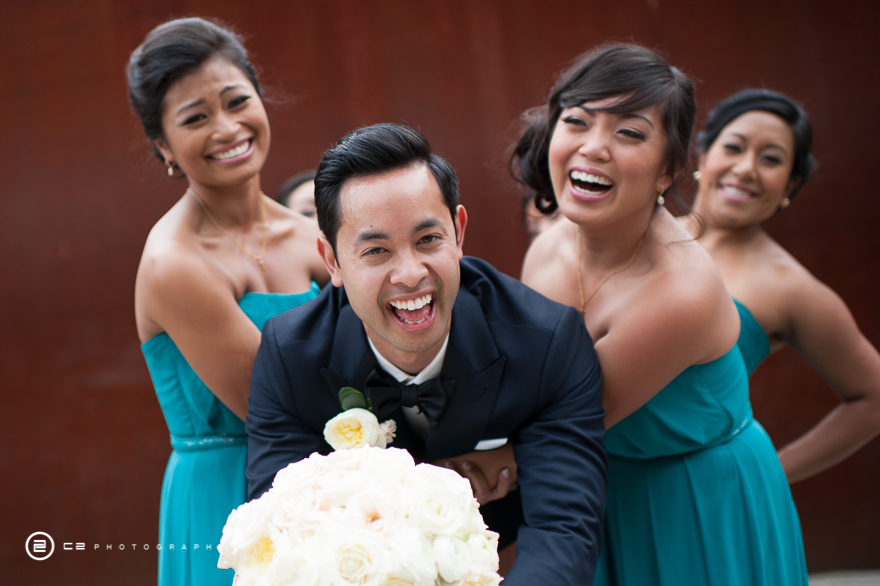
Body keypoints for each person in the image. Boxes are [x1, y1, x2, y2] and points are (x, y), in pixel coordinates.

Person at [246, 123, 607, 585]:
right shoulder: (290, 355)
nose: (411, 273)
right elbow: (285, 531)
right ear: (332, 260)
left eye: (428, 240)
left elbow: (562, 530)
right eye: (376, 250)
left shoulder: (547, 342)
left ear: (458, 232)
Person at [514, 45, 808, 584]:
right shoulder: (549, 246)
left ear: (668, 171)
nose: (593, 146)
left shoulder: (681, 292)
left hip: (698, 502)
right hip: (592, 486)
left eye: (629, 133)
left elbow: (563, 422)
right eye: (576, 121)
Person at [128, 17, 328, 586]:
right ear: (164, 146)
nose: (227, 127)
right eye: (196, 118)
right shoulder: (173, 262)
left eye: (237, 102)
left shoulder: (313, 235)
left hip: (333, 479)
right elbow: (276, 405)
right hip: (228, 500)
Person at [686, 89, 880, 484]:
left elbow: (873, 400)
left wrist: (765, 477)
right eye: (733, 147)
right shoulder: (635, 235)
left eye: (770, 159)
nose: (746, 169)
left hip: (692, 493)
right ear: (703, 156)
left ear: (790, 184)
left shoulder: (791, 289)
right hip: (585, 466)